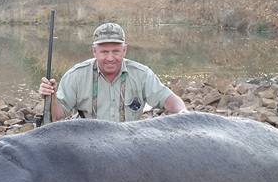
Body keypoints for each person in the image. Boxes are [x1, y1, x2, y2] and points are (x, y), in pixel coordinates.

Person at [39, 22, 187, 122]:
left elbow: (169, 100)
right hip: (88, 145)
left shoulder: (142, 74)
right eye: (104, 52)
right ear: (94, 52)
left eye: (116, 51)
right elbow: (57, 117)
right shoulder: (76, 76)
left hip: (128, 143)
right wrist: (51, 97)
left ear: (124, 50)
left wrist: (184, 115)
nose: (110, 58)